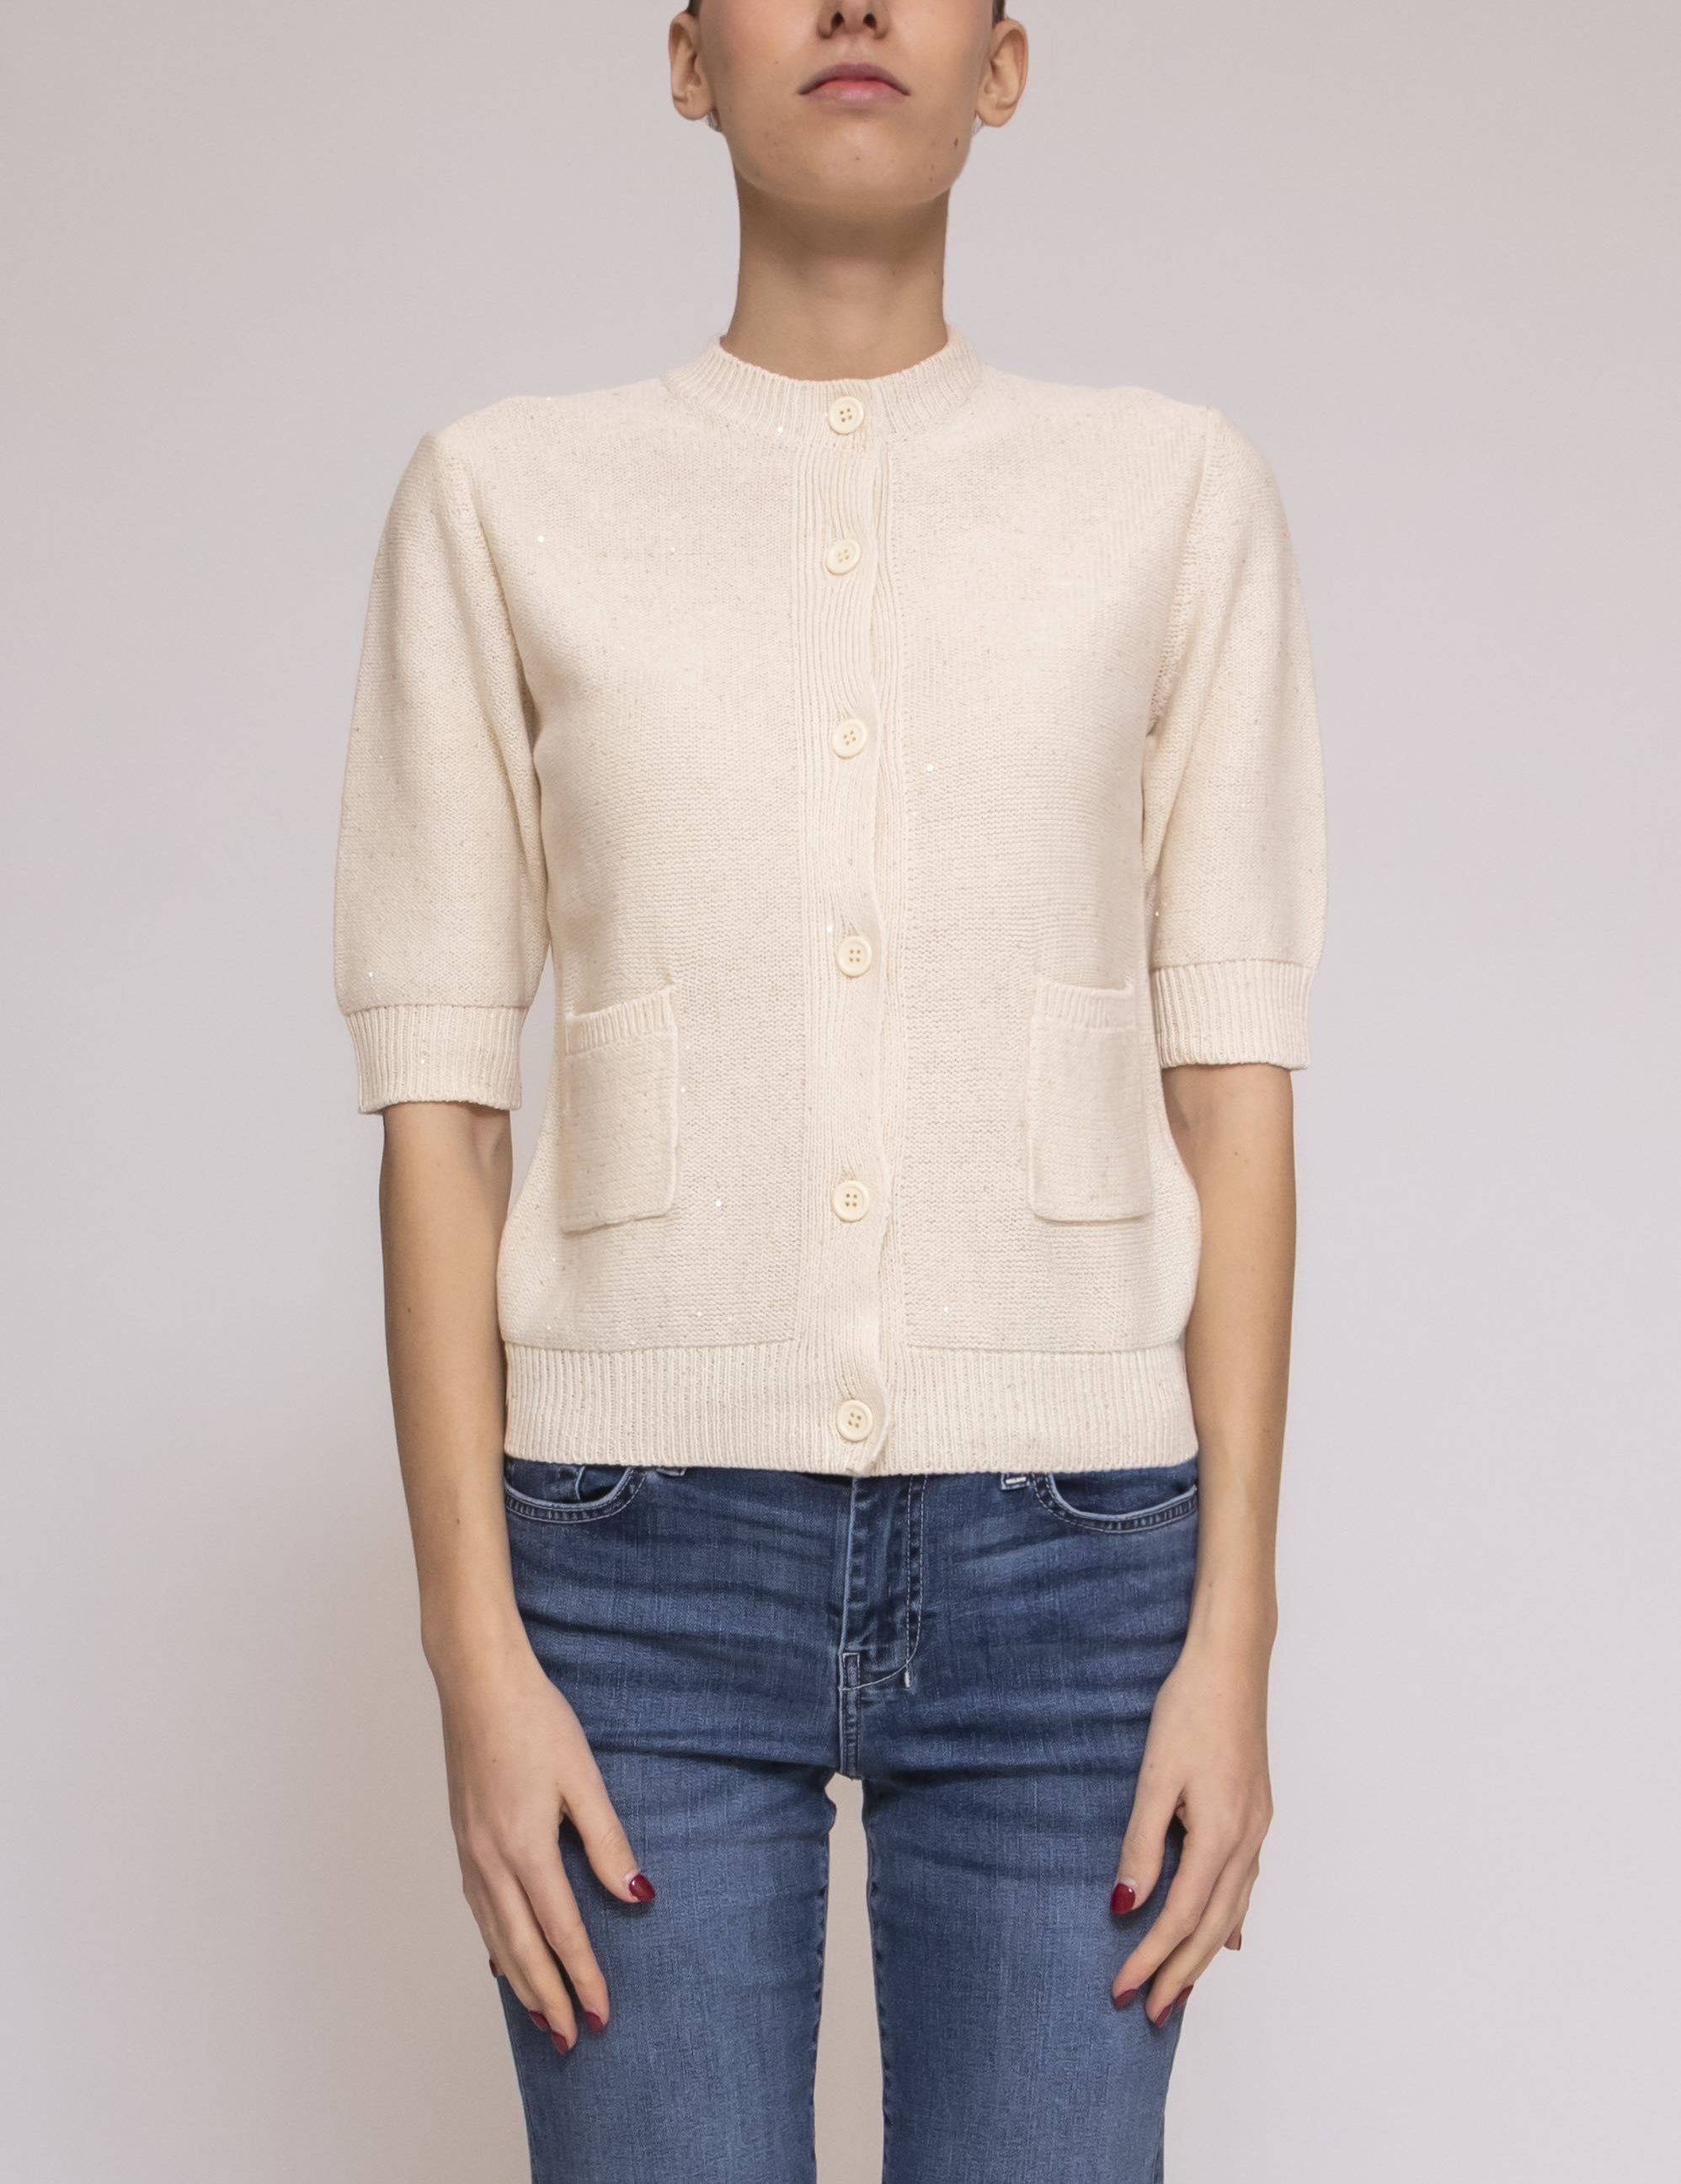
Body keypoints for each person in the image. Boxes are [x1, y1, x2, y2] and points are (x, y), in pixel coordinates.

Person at [329, 4, 1328, 2177]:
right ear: (687, 59)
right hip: (629, 1583)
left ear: (1006, 63)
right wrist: (473, 1658)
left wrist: (1231, 1638)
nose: (856, 7)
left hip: (1080, 1575)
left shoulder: (1170, 496)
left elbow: (1229, 1093)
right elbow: (442, 1110)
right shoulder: (503, 498)